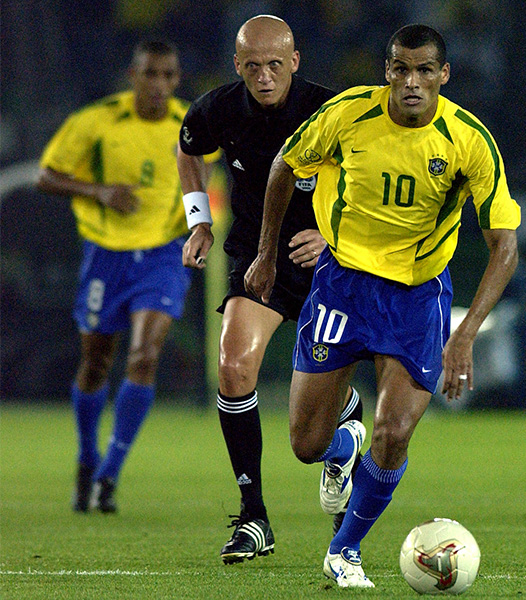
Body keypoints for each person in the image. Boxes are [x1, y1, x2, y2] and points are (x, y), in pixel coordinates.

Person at [245, 24, 520, 588]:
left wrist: (465, 333)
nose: (411, 82)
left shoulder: (469, 141)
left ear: (444, 75)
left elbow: (505, 247)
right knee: (304, 445)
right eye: (400, 69)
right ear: (387, 72)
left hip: (417, 297)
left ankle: (344, 550)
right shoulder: (348, 115)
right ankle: (344, 441)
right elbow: (283, 166)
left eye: (424, 71)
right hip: (342, 285)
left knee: (395, 430)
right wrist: (267, 253)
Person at [177, 15, 363, 564]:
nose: (263, 76)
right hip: (258, 259)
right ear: (238, 65)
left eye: (274, 65)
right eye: (252, 65)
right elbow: (188, 149)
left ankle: (344, 429)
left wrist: (331, 233)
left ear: (295, 61)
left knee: (315, 416)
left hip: (333, 263)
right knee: (233, 369)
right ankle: (254, 515)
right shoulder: (218, 109)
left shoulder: (333, 112)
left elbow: (371, 178)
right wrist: (198, 221)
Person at [37, 40, 204, 514]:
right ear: (133, 74)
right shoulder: (96, 120)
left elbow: (202, 179)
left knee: (144, 356)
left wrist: (201, 232)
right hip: (105, 257)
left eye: (169, 76)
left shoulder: (190, 124)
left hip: (162, 256)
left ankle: (110, 472)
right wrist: (98, 191)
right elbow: (47, 176)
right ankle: (87, 459)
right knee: (95, 362)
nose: (160, 85)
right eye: (151, 74)